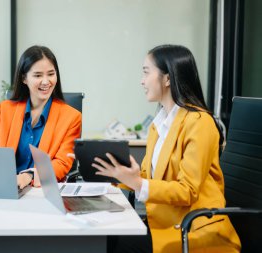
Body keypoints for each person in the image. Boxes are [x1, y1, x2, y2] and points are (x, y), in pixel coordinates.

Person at [92, 45, 241, 253]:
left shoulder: (200, 122)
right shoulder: (160, 123)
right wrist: (111, 174)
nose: (142, 81)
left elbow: (186, 191)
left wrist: (136, 182)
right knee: (106, 238)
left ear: (168, 78)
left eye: (146, 72)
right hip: (165, 223)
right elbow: (147, 175)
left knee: (111, 244)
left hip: (194, 229)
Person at [0, 45, 82, 189]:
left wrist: (28, 176)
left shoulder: (72, 118)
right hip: (6, 188)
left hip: (44, 191)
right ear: (24, 78)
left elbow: (62, 164)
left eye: (51, 74)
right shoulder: (3, 110)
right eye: (38, 75)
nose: (46, 81)